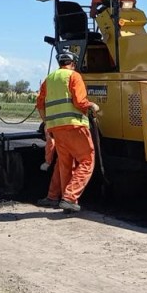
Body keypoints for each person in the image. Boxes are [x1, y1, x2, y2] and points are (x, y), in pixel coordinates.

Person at [34, 51, 99, 212]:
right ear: (73, 63)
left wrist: (47, 122)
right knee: (87, 161)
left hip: (57, 128)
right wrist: (91, 106)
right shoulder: (74, 76)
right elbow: (80, 101)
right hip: (74, 126)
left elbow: (40, 104)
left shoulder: (49, 79)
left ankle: (66, 201)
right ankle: (70, 197)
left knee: (65, 164)